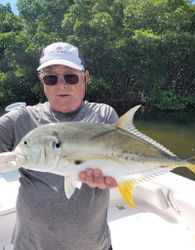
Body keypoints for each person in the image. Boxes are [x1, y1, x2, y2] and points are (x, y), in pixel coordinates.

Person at [0, 42, 118, 250]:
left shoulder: (102, 115)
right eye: (51, 78)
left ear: (85, 77)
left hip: (91, 244)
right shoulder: (21, 118)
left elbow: (121, 161)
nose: (61, 85)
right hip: (30, 244)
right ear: (41, 81)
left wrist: (113, 176)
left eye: (70, 76)